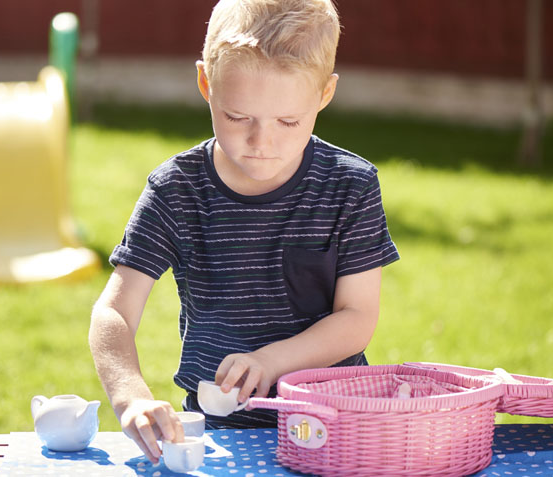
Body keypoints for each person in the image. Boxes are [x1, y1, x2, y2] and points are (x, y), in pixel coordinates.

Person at [89, 0, 399, 464]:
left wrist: (271, 361)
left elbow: (356, 317)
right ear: (205, 84)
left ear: (324, 94)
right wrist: (130, 395)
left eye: (288, 122)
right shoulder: (177, 190)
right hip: (218, 433)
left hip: (331, 426)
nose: (261, 143)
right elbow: (113, 313)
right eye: (238, 118)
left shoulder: (350, 186)